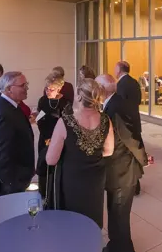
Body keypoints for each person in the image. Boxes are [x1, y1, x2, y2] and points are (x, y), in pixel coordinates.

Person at [46, 79, 114, 228]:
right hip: (95, 178)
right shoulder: (105, 120)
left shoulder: (66, 121)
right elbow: (109, 151)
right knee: (92, 213)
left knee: (73, 221)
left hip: (72, 179)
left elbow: (51, 160)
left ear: (79, 96)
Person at [96, 74, 146, 252]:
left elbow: (130, 138)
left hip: (122, 170)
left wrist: (142, 159)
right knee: (116, 212)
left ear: (102, 89)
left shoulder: (115, 108)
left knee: (119, 214)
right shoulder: (117, 102)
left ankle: (122, 248)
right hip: (121, 168)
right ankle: (116, 244)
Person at [0, 72, 35, 196]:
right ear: (9, 89)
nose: (27, 88)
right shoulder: (2, 113)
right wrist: (14, 183)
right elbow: (0, 154)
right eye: (23, 85)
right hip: (9, 185)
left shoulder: (11, 106)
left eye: (26, 84)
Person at [36, 73, 69, 199]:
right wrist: (46, 137)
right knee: (43, 166)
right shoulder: (43, 100)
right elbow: (39, 119)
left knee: (57, 167)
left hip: (59, 140)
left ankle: (56, 195)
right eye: (46, 88)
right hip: (44, 138)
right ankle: (43, 195)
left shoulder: (65, 103)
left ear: (59, 89)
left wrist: (55, 138)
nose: (48, 91)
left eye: (51, 89)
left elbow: (67, 124)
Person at [115, 61, 145, 195]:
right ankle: (135, 183)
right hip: (135, 121)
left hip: (125, 125)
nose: (114, 70)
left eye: (115, 68)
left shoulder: (121, 85)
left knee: (127, 156)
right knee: (134, 153)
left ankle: (133, 185)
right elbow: (138, 101)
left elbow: (120, 106)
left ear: (120, 70)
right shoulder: (134, 82)